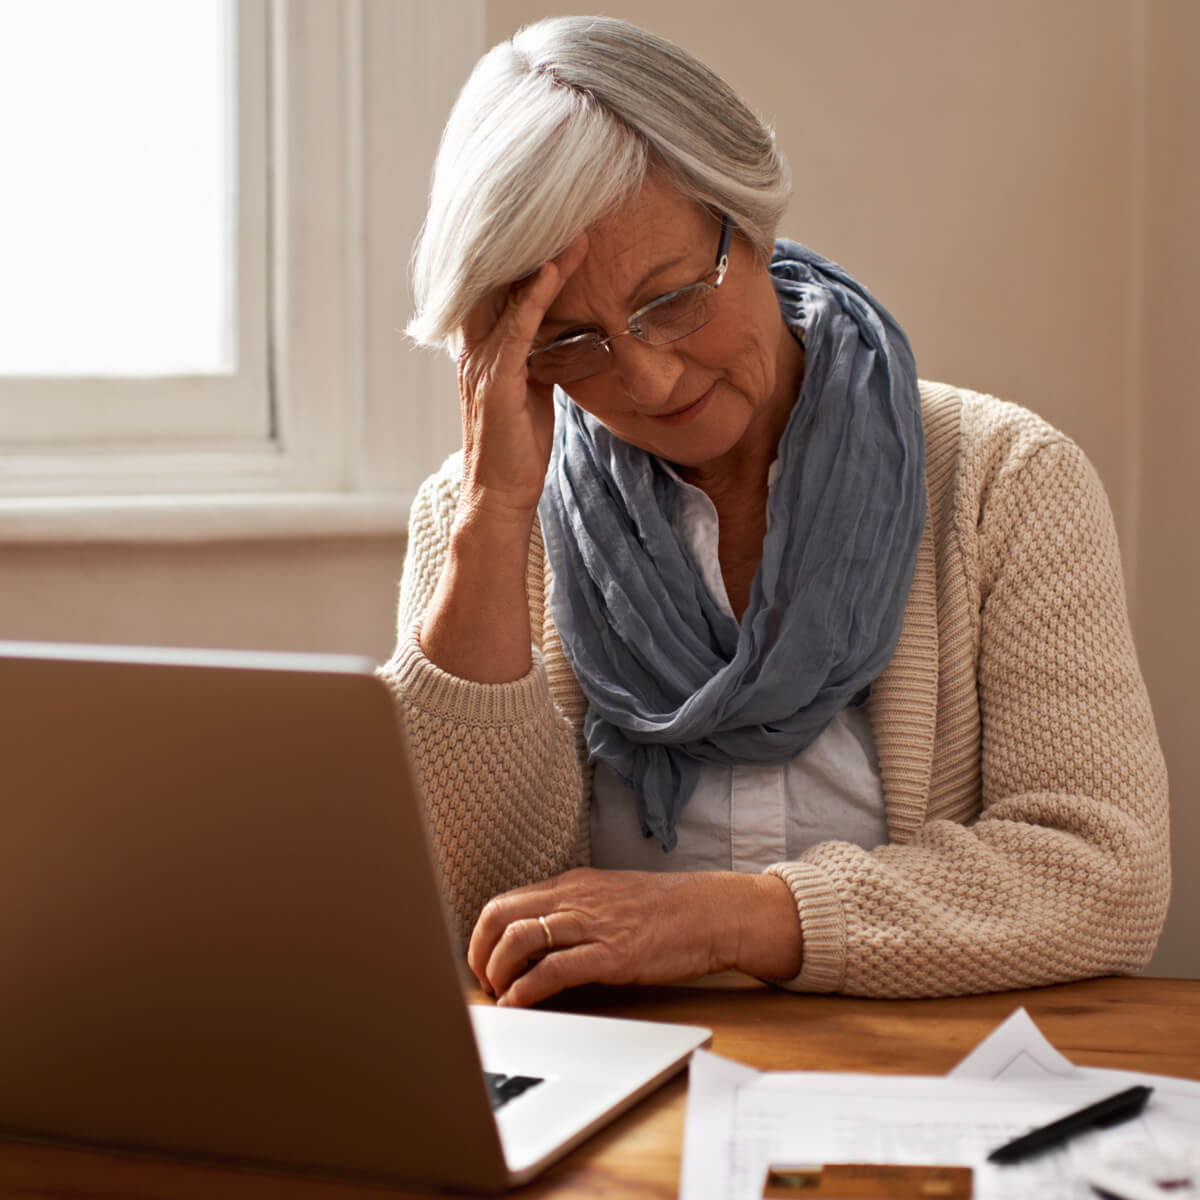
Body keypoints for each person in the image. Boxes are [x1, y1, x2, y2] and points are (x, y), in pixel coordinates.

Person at [381, 15, 1169, 1007]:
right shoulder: (475, 522)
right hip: (621, 1073)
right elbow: (472, 915)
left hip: (928, 1073)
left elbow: (1103, 876)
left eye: (671, 301)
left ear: (748, 221)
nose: (649, 379)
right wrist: (494, 517)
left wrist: (729, 919)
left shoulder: (1003, 482)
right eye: (570, 343)